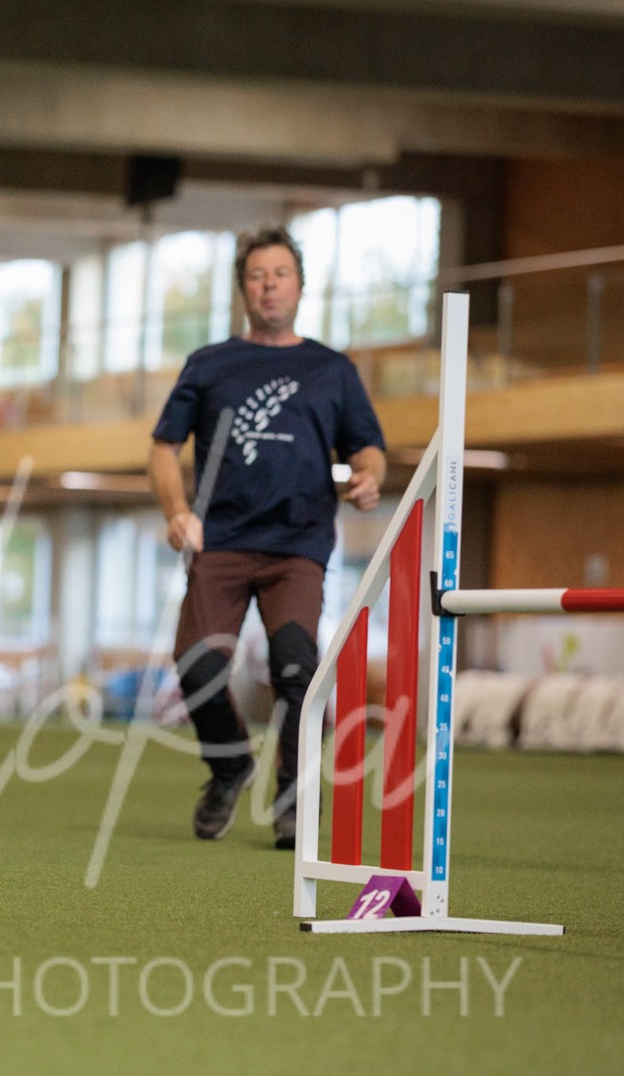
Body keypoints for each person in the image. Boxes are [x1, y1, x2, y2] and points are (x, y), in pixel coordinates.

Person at [147, 225, 386, 850]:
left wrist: (368, 478)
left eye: (280, 274)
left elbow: (368, 448)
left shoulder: (332, 370)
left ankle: (293, 797)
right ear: (243, 289)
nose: (269, 285)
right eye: (257, 276)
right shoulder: (209, 364)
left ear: (300, 287)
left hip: (297, 547)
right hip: (220, 540)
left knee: (297, 667)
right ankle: (230, 765)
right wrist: (176, 511)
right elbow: (164, 447)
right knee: (198, 665)